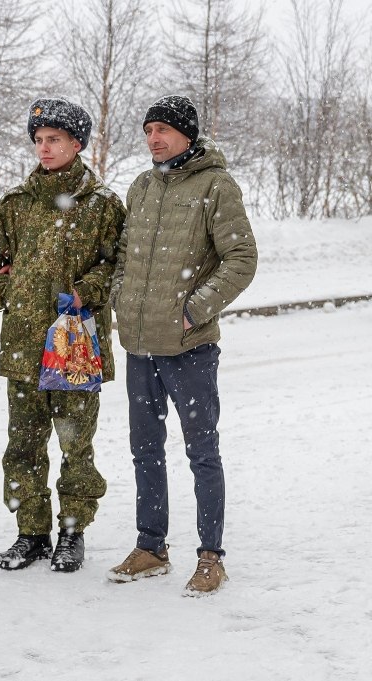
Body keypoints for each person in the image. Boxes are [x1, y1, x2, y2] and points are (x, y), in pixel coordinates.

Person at [107, 95, 257, 595]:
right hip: (139, 345)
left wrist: (194, 309)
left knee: (202, 452)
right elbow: (126, 256)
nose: (154, 139)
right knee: (144, 450)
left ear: (187, 136)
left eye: (163, 130)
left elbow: (241, 258)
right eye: (148, 130)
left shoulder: (217, 185)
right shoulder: (142, 187)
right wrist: (120, 300)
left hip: (190, 347)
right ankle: (151, 547)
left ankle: (210, 555)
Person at [0, 97, 125, 573]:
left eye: (54, 140)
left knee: (74, 445)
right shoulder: (15, 206)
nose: (44, 148)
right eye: (39, 141)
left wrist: (89, 288)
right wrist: (6, 286)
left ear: (77, 144)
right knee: (22, 444)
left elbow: (118, 263)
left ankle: (72, 532)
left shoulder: (103, 205)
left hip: (75, 346)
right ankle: (30, 533)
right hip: (25, 345)